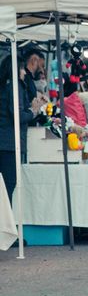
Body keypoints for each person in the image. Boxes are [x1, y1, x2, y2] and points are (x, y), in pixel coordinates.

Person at [0, 55, 45, 203]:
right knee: (8, 186)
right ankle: (5, 224)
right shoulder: (15, 86)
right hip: (10, 143)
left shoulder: (5, 85)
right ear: (15, 70)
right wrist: (33, 111)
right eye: (21, 69)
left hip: (5, 141)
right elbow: (17, 115)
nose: (24, 72)